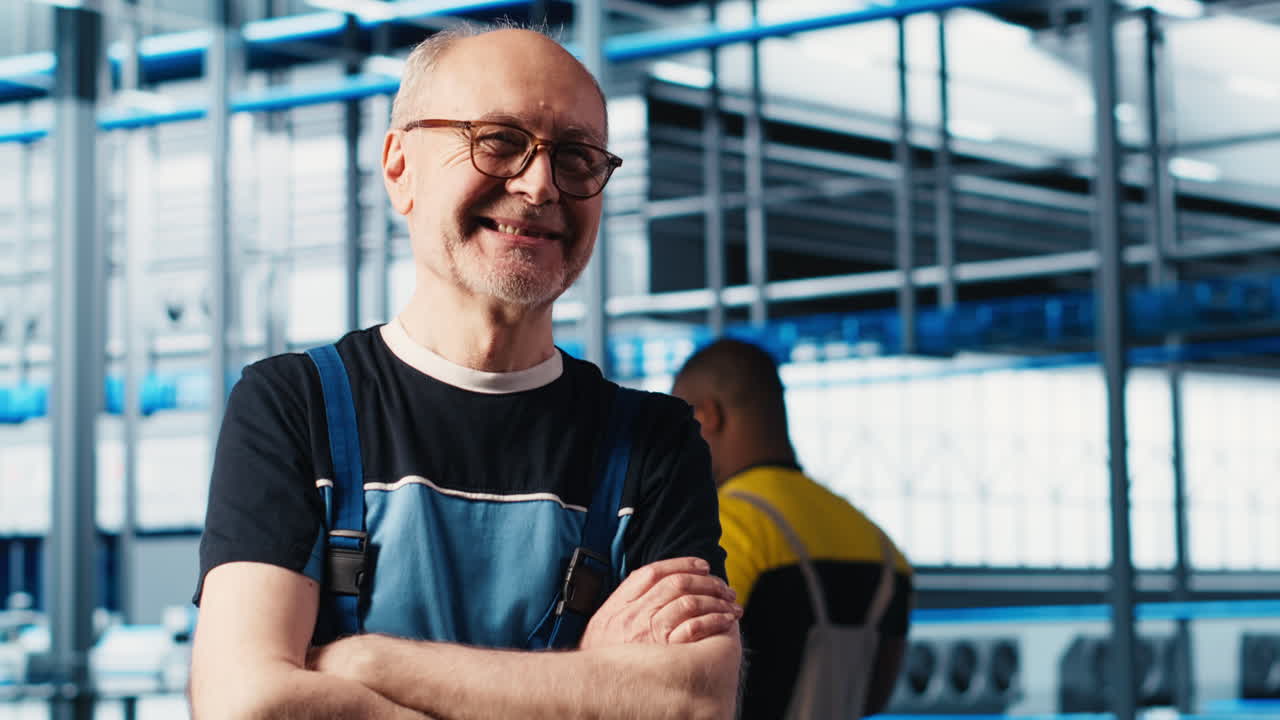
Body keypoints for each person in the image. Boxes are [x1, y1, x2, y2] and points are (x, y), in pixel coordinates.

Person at [190, 25, 742, 719]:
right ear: (400, 168)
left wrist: (366, 662)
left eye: (576, 156)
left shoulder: (653, 443)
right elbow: (251, 702)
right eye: (499, 140)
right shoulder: (295, 407)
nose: (541, 185)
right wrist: (593, 681)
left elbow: (692, 703)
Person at [672, 338, 913, 719]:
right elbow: (875, 696)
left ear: (708, 416)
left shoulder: (723, 524)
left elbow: (679, 683)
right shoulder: (881, 545)